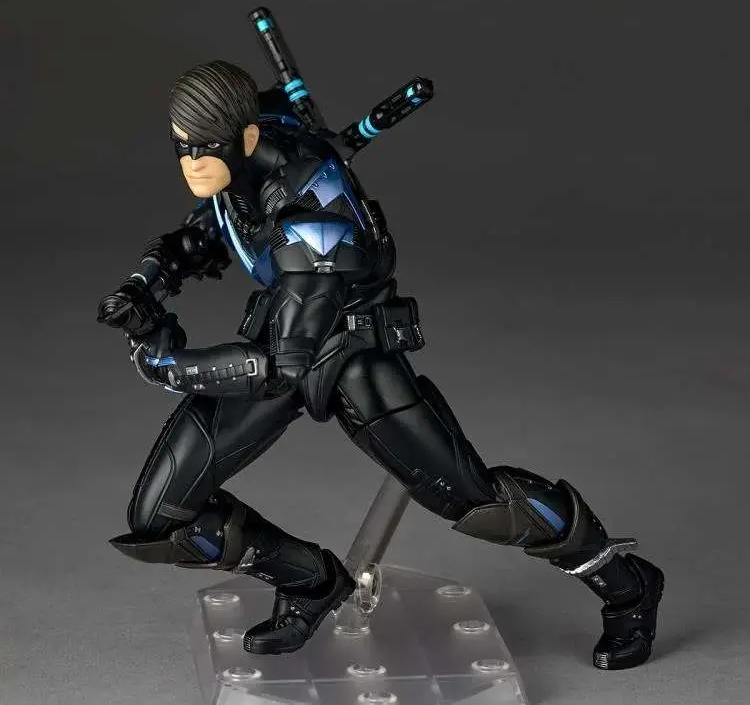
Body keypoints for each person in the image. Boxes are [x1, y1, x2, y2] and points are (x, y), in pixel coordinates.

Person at [98, 59, 664, 669]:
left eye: (205, 148)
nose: (191, 163)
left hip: (353, 357)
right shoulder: (240, 162)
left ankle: (627, 584)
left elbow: (282, 369)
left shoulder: (312, 214)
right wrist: (144, 283)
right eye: (182, 146)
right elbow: (202, 237)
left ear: (248, 136)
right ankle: (311, 582)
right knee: (160, 518)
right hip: (281, 334)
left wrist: (168, 363)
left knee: (476, 503)